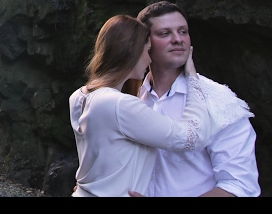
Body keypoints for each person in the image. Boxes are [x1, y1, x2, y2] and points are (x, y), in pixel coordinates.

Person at [69, 14, 213, 197]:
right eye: (147, 51)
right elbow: (192, 137)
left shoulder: (78, 97)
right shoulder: (120, 104)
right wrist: (192, 78)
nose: (149, 59)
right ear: (132, 51)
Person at [129, 1, 260, 197]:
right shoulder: (130, 98)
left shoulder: (219, 100)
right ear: (144, 43)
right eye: (165, 33)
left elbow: (239, 185)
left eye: (183, 32)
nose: (177, 39)